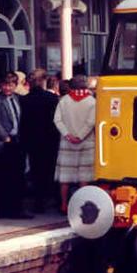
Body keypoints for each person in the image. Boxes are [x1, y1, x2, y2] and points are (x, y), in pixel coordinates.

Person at [0, 73, 31, 219]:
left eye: (11, 85)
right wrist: (5, 137)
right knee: (5, 178)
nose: (8, 88)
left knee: (18, 177)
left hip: (17, 141)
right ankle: (5, 210)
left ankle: (17, 209)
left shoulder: (17, 99)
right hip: (4, 143)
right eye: (5, 85)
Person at [54, 75, 96, 214]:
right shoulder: (92, 102)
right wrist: (80, 136)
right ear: (85, 87)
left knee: (65, 177)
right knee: (83, 177)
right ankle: (81, 205)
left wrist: (67, 134)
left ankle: (64, 205)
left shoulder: (63, 101)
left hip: (67, 142)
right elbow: (91, 122)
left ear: (71, 87)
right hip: (86, 142)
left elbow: (57, 120)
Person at [20, 69, 60, 212]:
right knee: (50, 169)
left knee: (36, 170)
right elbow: (57, 121)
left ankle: (39, 202)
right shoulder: (52, 99)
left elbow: (22, 122)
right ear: (43, 80)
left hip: (31, 139)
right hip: (50, 139)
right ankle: (53, 198)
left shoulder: (24, 100)